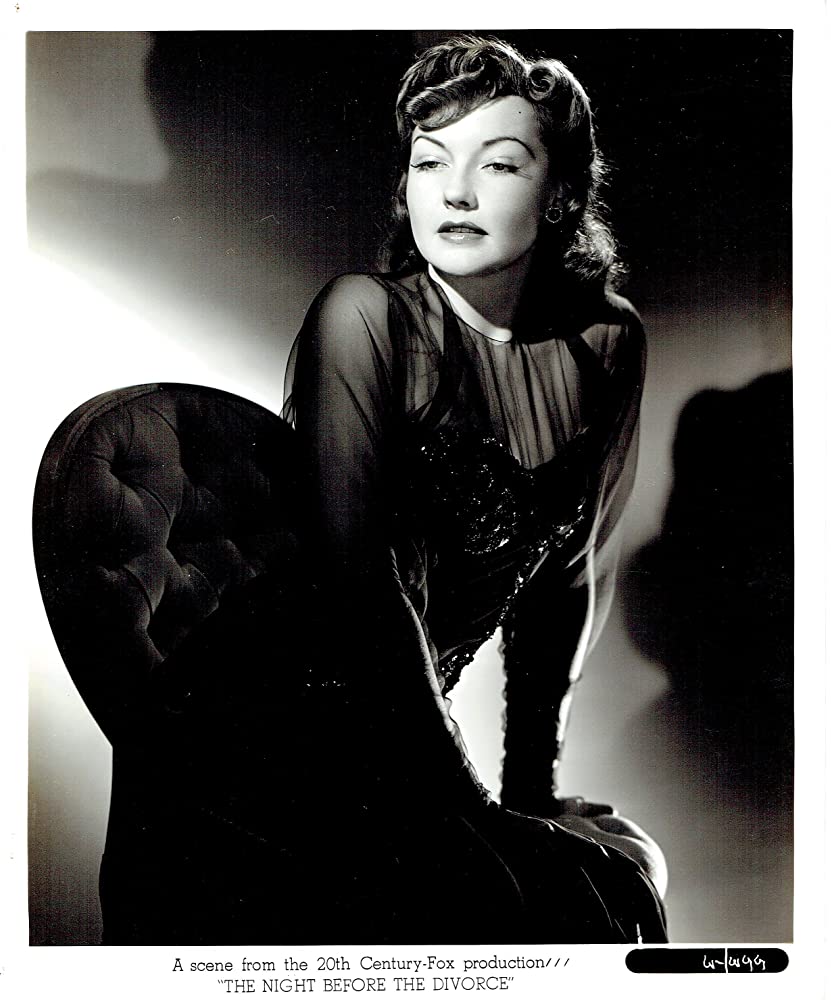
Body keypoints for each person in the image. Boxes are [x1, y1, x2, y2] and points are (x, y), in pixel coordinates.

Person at [108, 34, 668, 945]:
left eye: (499, 163)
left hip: (405, 750)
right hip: (263, 739)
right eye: (429, 161)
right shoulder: (364, 315)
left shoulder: (606, 342)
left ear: (561, 194)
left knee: (600, 886)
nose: (455, 193)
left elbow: (564, 578)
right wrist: (473, 808)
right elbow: (359, 589)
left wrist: (531, 792)